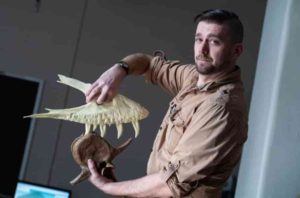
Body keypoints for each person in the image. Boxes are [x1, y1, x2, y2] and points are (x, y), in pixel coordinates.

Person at [85, 9, 248, 198]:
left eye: (214, 41)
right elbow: (148, 63)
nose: (202, 50)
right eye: (198, 39)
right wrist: (118, 70)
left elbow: (170, 184)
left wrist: (108, 187)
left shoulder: (221, 108)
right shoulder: (193, 78)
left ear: (236, 51)